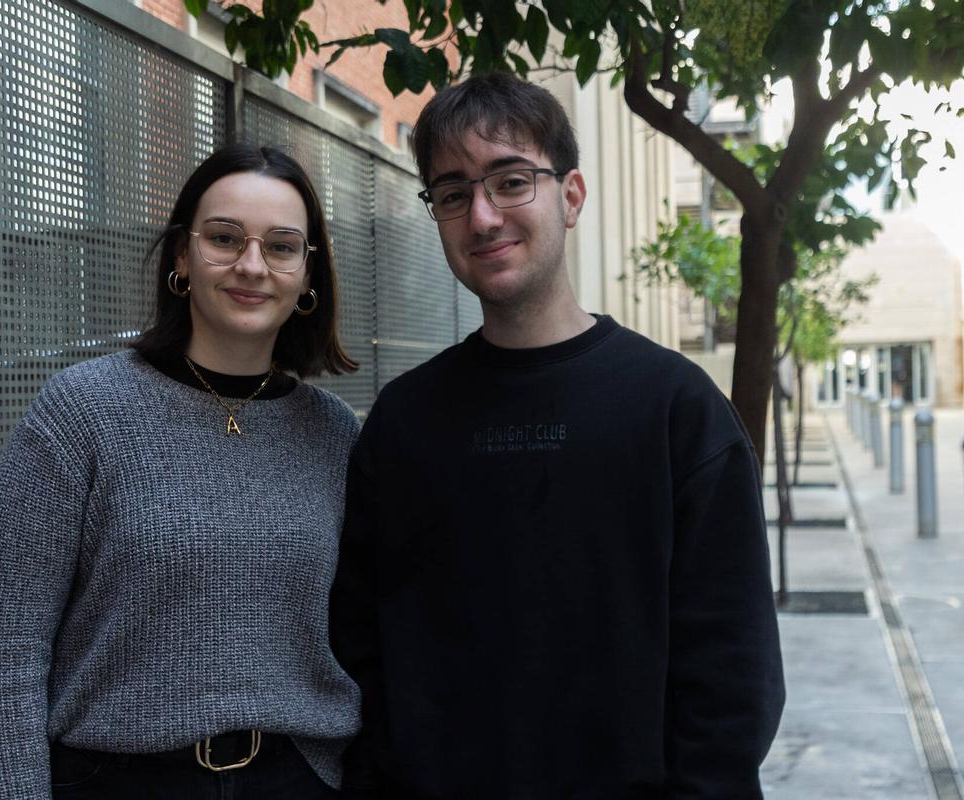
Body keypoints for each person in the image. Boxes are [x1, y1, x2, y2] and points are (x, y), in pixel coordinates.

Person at [330, 73, 785, 799]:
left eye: (511, 181)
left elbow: (731, 683)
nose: (482, 216)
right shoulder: (403, 423)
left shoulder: (677, 410)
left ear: (570, 197)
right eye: (452, 193)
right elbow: (361, 658)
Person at [0, 144, 362, 799]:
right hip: (117, 780)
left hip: (294, 779)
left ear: (308, 275)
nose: (251, 264)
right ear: (180, 256)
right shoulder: (82, 411)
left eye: (281, 247)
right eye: (224, 238)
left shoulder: (335, 435)